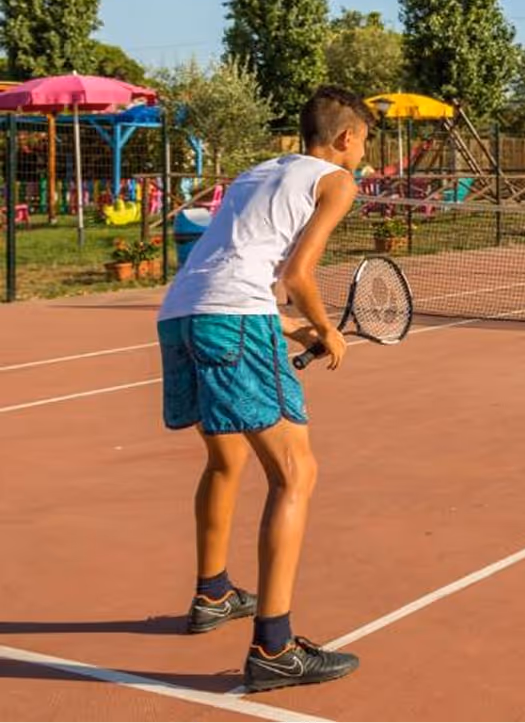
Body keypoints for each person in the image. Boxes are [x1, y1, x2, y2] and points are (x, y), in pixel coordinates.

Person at [156, 85, 372, 692]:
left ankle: (213, 593)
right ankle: (275, 649)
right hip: (231, 317)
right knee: (295, 473)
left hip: (180, 315)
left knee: (224, 458)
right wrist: (326, 329)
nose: (361, 156)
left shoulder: (258, 173)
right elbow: (297, 273)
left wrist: (292, 327)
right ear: (345, 137)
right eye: (363, 143)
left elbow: (228, 269)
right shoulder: (335, 179)